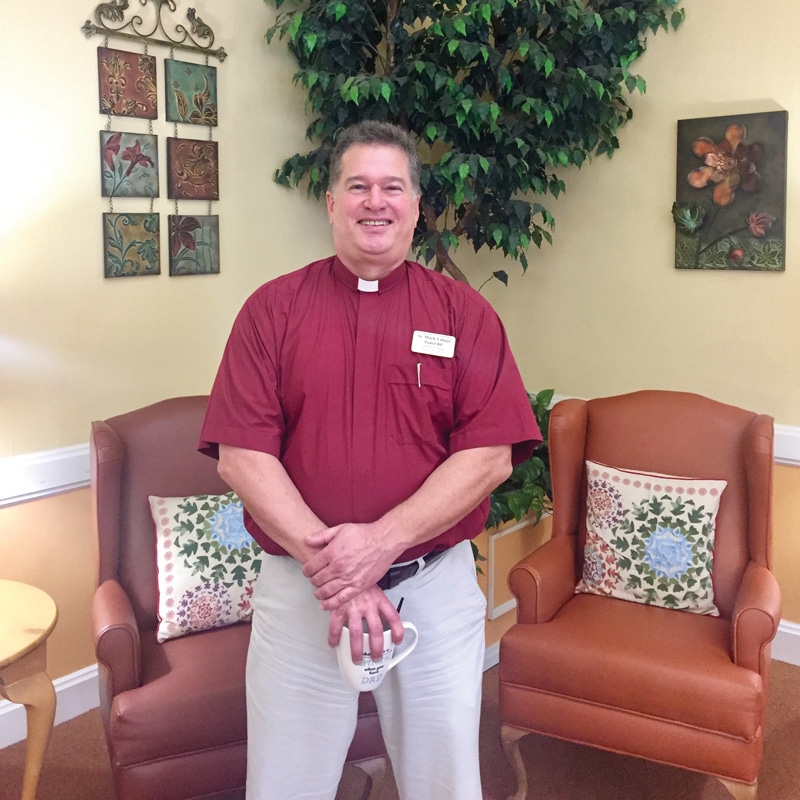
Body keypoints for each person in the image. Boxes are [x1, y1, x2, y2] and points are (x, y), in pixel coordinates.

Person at [198, 120, 540, 800]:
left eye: (392, 187)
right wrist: (339, 568)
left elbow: (490, 456)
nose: (374, 202)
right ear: (331, 203)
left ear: (416, 207)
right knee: (283, 783)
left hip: (432, 591)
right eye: (357, 186)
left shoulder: (464, 315)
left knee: (444, 782)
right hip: (304, 592)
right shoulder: (271, 312)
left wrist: (379, 544)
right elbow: (242, 456)